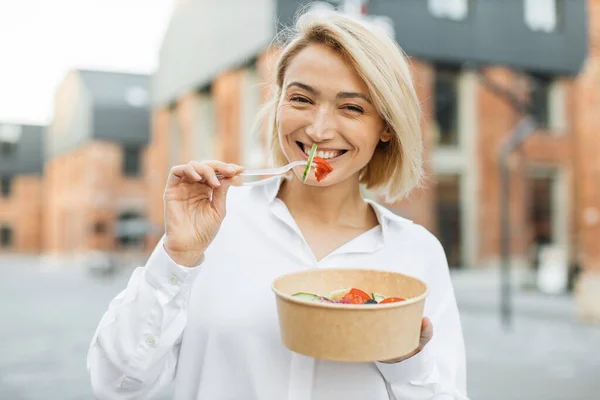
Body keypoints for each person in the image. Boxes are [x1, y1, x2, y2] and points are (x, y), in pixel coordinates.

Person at [87, 7, 468, 400]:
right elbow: (116, 385)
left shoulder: (416, 253)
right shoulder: (215, 227)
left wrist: (407, 360)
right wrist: (176, 257)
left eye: (351, 107)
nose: (318, 130)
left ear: (386, 126)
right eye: (301, 99)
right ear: (278, 105)